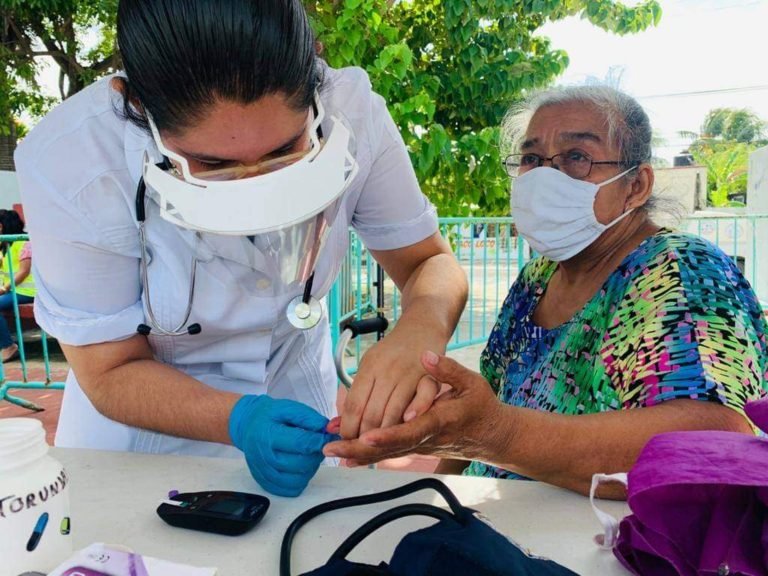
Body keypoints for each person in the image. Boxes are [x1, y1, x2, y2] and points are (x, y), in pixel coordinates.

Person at [14, 0, 467, 497]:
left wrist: (417, 331)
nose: (257, 187)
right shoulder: (68, 161)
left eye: (284, 151)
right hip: (138, 445)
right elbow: (108, 369)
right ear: (137, 105)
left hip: (299, 414)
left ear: (316, 70)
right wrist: (238, 418)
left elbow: (430, 262)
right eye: (211, 164)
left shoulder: (355, 114)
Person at [324, 85, 768, 498]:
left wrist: (497, 435)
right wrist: (431, 500)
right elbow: (484, 413)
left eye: (576, 156)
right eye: (532, 159)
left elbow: (715, 442)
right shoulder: (537, 278)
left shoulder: (680, 270)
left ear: (636, 185)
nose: (544, 177)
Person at [0, 209, 35, 362]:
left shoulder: (24, 243)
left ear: (1, 226)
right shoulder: (5, 245)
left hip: (28, 291)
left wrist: (4, 288)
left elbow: (23, 272)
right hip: (13, 291)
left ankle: (8, 346)